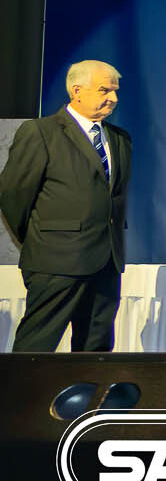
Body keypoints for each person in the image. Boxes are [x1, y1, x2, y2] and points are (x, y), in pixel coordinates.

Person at [2, 60, 128, 352]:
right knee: (37, 348)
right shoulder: (41, 133)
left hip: (106, 264)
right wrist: (43, 239)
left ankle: (89, 386)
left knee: (95, 351)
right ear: (77, 91)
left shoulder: (120, 139)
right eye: (105, 90)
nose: (113, 98)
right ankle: (23, 387)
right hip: (54, 262)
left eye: (115, 91)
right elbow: (13, 195)